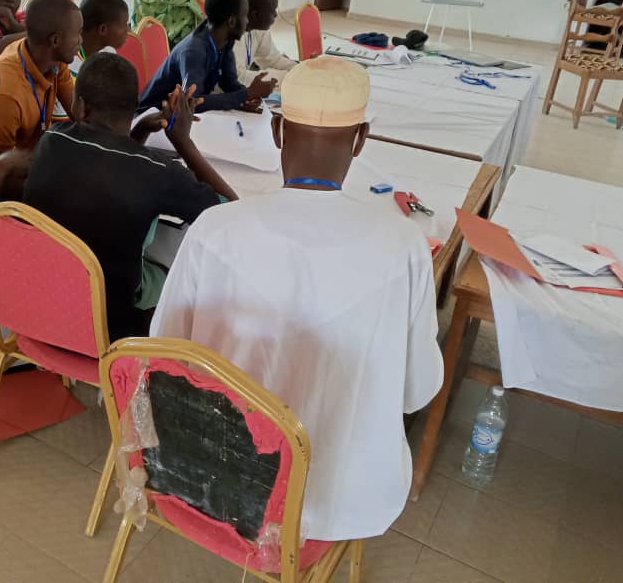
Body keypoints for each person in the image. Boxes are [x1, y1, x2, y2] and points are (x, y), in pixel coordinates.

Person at [150, 56, 443, 543]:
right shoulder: (404, 246)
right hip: (338, 502)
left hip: (215, 484)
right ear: (361, 139)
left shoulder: (216, 230)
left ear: (279, 130)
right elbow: (418, 390)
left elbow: (163, 357)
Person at [23, 52, 235, 339]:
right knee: (181, 263)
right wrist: (183, 142)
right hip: (111, 315)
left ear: (80, 106)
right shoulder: (159, 171)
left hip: (43, 298)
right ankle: (150, 352)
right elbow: (231, 216)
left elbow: (109, 160)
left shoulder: (53, 138)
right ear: (134, 107)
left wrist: (140, 131)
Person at [0, 0, 81, 207]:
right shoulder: (7, 94)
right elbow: (1, 173)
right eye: (78, 34)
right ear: (55, 41)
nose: (81, 41)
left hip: (26, 165)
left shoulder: (53, 60)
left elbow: (79, 114)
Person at [138, 0, 275, 114]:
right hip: (152, 117)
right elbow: (191, 103)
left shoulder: (225, 41)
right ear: (231, 22)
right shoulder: (193, 51)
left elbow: (229, 83)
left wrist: (246, 98)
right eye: (245, 15)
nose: (247, 21)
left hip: (178, 116)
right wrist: (247, 94)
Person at [234, 0, 297, 89]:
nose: (276, 15)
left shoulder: (258, 29)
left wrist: (299, 68)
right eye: (272, 11)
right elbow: (240, 78)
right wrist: (285, 77)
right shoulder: (229, 37)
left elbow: (273, 59)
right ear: (255, 15)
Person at [70, 0, 130, 76]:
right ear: (102, 29)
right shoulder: (69, 65)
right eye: (124, 24)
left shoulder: (108, 53)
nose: (128, 30)